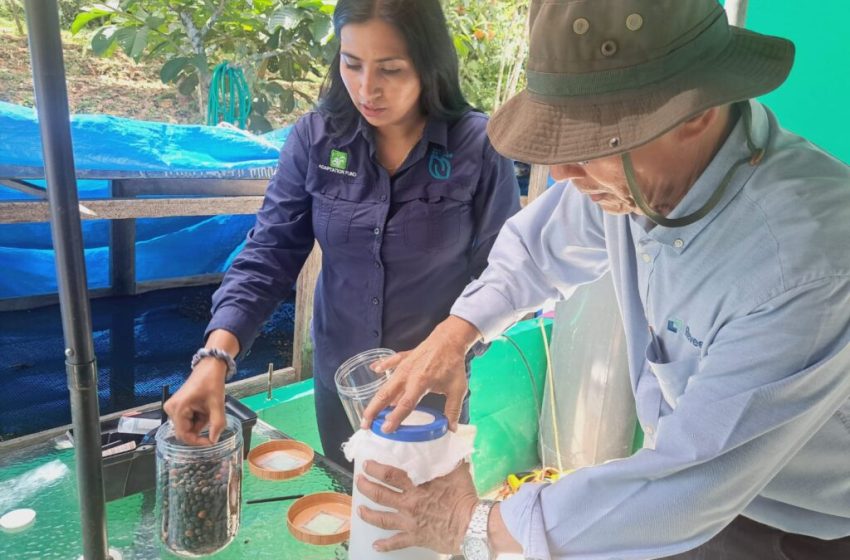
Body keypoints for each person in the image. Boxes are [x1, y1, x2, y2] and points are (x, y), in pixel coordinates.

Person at [357, 0, 850, 558]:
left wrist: (475, 525)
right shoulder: (639, 174)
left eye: (594, 140)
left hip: (803, 525)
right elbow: (536, 251)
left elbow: (685, 486)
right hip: (690, 493)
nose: (564, 173)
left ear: (694, 113)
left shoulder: (805, 261)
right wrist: (456, 334)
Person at [163, 0, 520, 468]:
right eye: (352, 64)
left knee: (422, 525)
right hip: (341, 385)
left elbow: (504, 275)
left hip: (427, 387)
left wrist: (454, 349)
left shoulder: (480, 146)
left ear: (430, 64)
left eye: (390, 69)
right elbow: (270, 251)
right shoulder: (316, 140)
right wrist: (215, 356)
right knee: (347, 507)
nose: (366, 89)